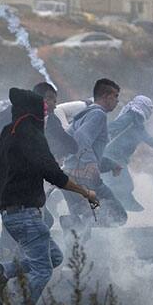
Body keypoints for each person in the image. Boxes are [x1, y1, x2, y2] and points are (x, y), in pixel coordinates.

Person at [0, 89, 98, 305]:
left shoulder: (9, 132)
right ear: (34, 114)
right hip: (25, 214)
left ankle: (5, 270)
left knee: (55, 257)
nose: (45, 118)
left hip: (14, 212)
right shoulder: (30, 135)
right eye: (43, 114)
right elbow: (54, 174)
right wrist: (86, 192)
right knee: (43, 270)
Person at [0, 82, 77, 290]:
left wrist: (49, 151)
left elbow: (70, 145)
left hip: (28, 188)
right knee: (8, 241)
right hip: (9, 185)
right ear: (37, 98)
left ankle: (11, 270)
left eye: (54, 101)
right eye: (48, 99)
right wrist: (10, 140)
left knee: (44, 221)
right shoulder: (17, 115)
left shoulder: (49, 121)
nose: (51, 104)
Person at [61, 79, 125, 232]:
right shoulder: (98, 114)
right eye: (115, 96)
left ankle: (73, 230)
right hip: (84, 179)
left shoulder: (84, 115)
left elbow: (85, 149)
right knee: (119, 216)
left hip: (69, 176)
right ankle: (74, 223)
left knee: (83, 222)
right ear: (106, 96)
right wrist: (90, 164)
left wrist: (111, 164)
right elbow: (81, 139)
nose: (117, 101)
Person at [101, 95, 153, 212]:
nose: (150, 112)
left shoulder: (137, 123)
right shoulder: (131, 118)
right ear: (144, 107)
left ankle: (114, 208)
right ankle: (118, 208)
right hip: (112, 156)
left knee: (115, 184)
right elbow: (110, 127)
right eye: (149, 109)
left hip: (117, 157)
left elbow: (152, 142)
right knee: (124, 185)